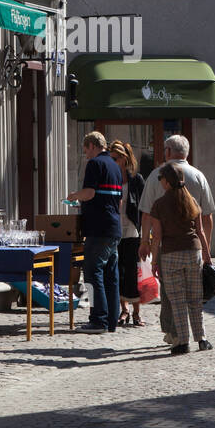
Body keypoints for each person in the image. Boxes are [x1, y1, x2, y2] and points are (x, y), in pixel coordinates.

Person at [140, 135, 215, 346]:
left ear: (167, 152)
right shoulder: (198, 179)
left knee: (173, 299)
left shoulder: (156, 178)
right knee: (195, 299)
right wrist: (206, 252)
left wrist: (146, 245)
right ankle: (201, 338)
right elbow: (206, 220)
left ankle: (177, 338)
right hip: (194, 251)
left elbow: (149, 219)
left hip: (169, 252)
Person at [66, 131, 123, 334]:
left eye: (86, 150)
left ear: (92, 145)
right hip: (114, 228)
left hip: (98, 229)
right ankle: (111, 321)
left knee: (92, 274)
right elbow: (118, 200)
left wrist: (75, 196)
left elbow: (89, 193)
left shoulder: (95, 164)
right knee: (111, 276)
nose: (86, 155)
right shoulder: (115, 166)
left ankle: (98, 319)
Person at [108, 140, 147, 328]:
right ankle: (123, 310)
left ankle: (137, 313)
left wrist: (146, 234)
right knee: (118, 272)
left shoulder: (136, 179)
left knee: (133, 272)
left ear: (123, 159)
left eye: (114, 158)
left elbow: (145, 207)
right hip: (114, 231)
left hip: (132, 230)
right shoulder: (110, 178)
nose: (111, 161)